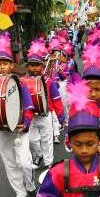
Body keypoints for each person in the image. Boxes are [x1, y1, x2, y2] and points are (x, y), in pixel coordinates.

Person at [0, 33, 37, 197]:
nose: (2, 67)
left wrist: (25, 124)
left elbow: (29, 106)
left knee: (24, 162)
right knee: (9, 162)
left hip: (20, 128)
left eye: (5, 63)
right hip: (3, 130)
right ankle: (21, 194)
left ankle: (32, 189)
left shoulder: (20, 83)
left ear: (12, 65)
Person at [23, 39, 65, 169]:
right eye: (31, 65)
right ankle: (38, 155)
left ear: (42, 66)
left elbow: (56, 99)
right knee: (32, 140)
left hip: (46, 114)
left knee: (47, 140)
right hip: (31, 116)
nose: (34, 68)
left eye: (37, 65)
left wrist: (61, 116)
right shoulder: (22, 81)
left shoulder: (49, 81)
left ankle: (48, 163)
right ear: (27, 67)